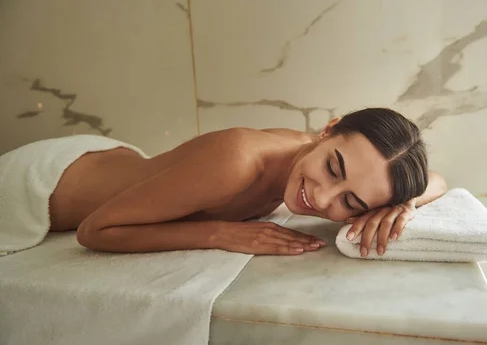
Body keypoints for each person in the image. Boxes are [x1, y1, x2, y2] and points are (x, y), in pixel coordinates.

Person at [50, 108, 447, 257]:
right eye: (333, 169)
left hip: (115, 160)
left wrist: (403, 204)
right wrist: (221, 234)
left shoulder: (329, 155)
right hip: (50, 184)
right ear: (327, 130)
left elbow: (436, 180)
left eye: (352, 203)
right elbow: (94, 231)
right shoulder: (239, 161)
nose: (324, 199)